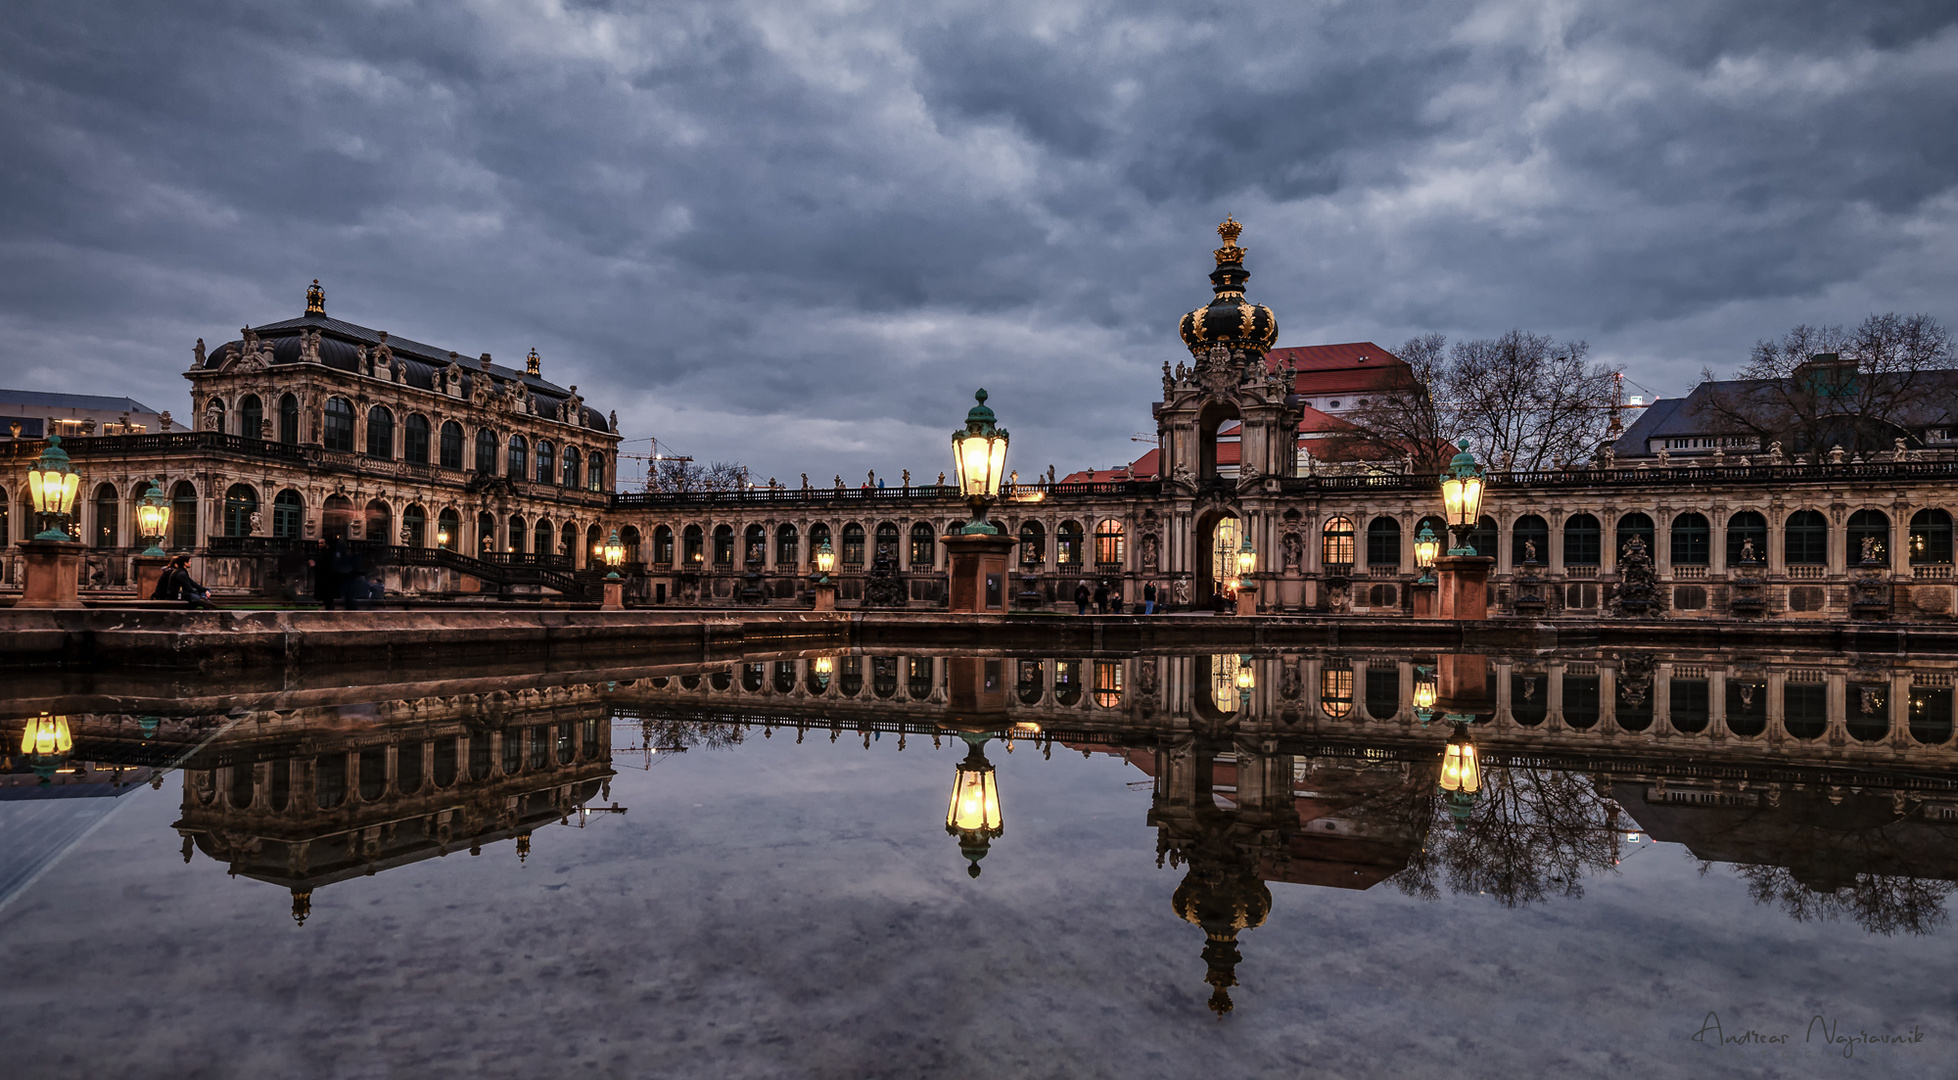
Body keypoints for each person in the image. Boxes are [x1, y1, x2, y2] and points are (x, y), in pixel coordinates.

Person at [152, 555, 217, 609]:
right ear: (185, 563)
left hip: (177, 594)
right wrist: (198, 592)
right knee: (196, 597)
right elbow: (188, 588)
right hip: (174, 595)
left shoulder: (181, 572)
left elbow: (192, 583)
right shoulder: (180, 573)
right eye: (190, 561)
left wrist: (204, 590)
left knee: (206, 590)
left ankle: (204, 599)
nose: (191, 563)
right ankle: (204, 600)